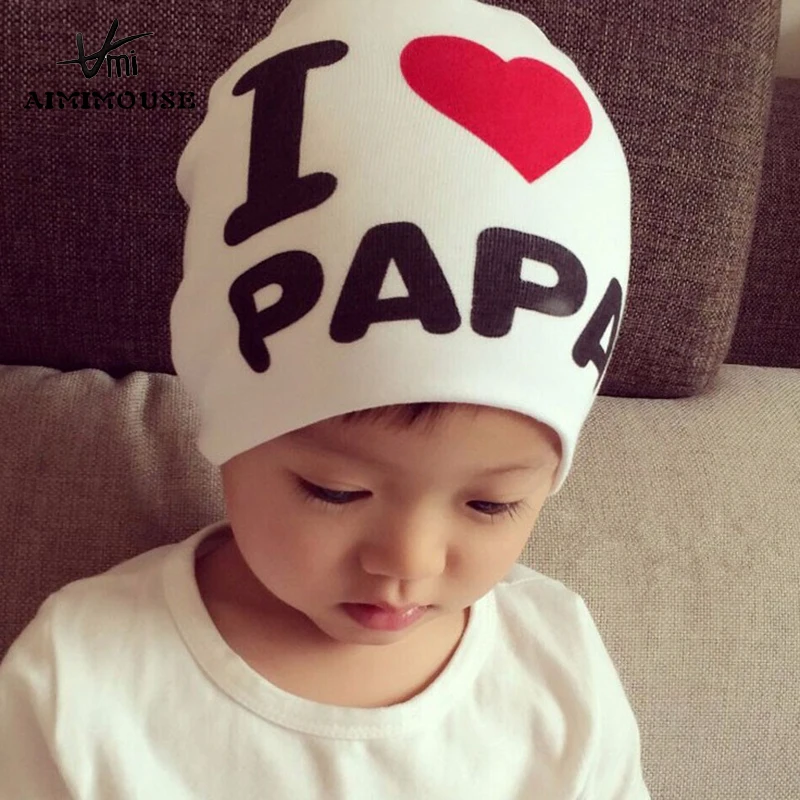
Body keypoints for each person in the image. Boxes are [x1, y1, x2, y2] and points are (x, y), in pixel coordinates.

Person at [0, 0, 651, 796]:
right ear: (228, 427)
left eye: (492, 504)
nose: (407, 560)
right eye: (335, 490)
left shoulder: (559, 676)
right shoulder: (81, 680)